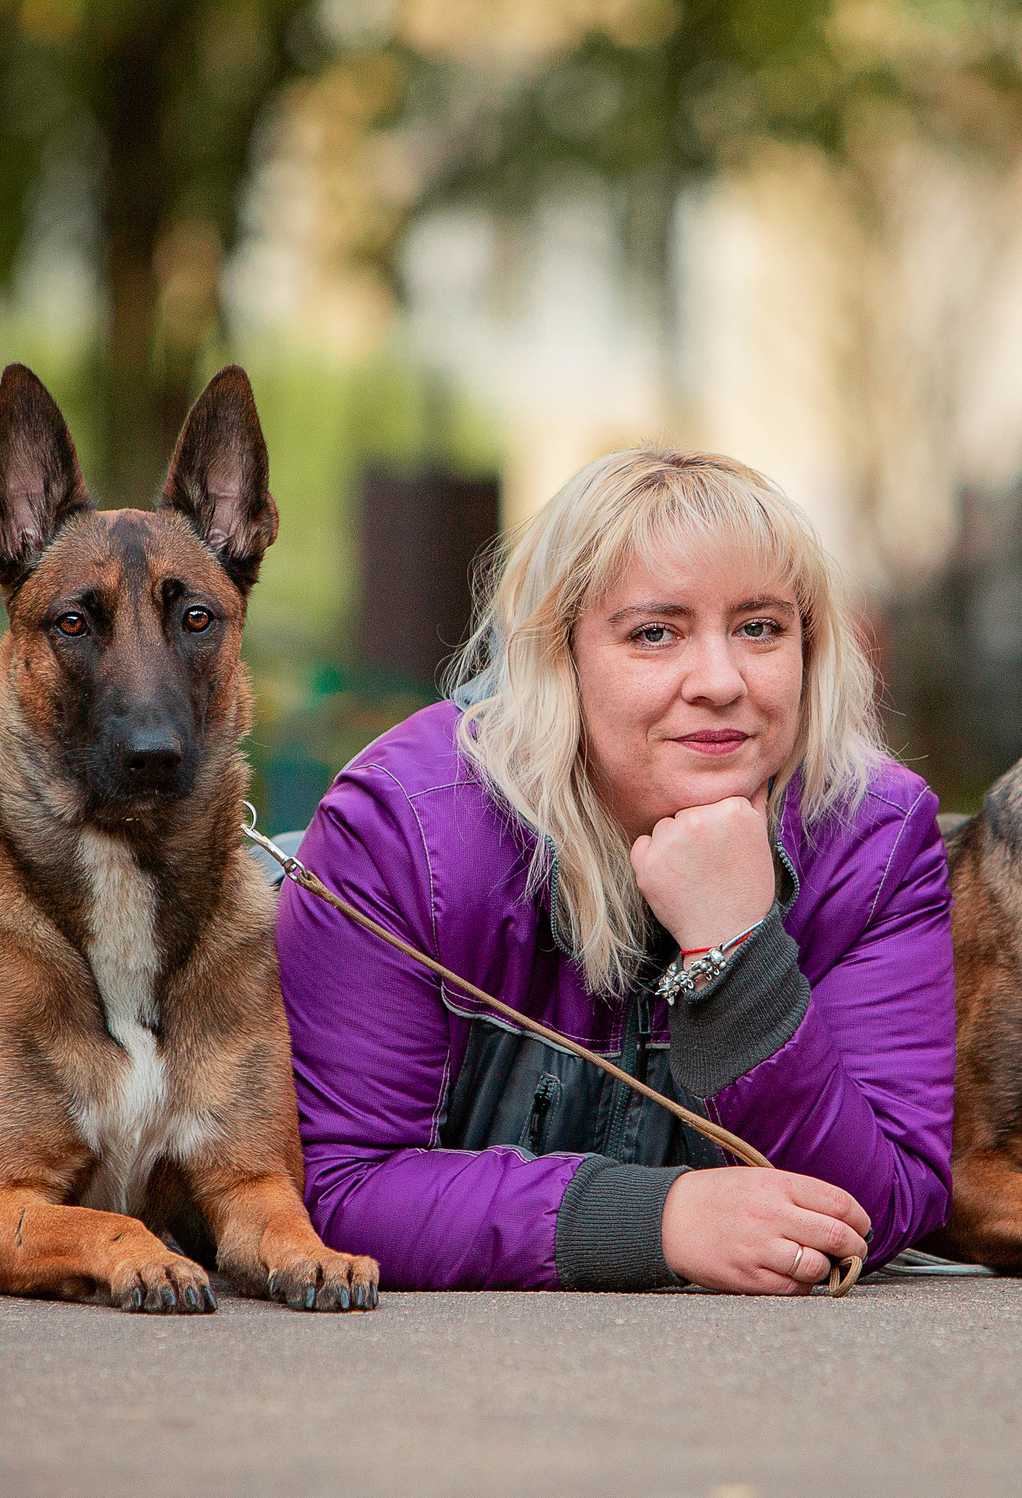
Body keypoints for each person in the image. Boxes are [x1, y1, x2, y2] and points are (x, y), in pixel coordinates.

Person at [274, 448, 955, 1294]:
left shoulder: (873, 840)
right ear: (560, 657)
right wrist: (656, 1219)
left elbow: (881, 1201)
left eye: (760, 627)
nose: (719, 680)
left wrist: (737, 952)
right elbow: (339, 1188)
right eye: (654, 633)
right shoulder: (404, 831)